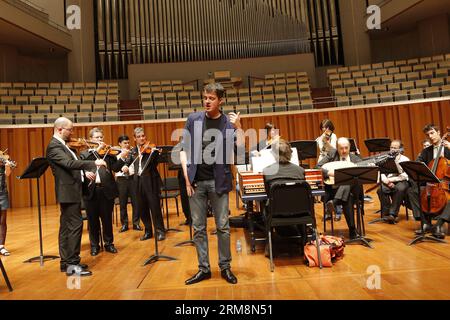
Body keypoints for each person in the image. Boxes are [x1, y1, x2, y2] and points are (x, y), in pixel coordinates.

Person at [180, 82, 243, 285]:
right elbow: (184, 149)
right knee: (198, 228)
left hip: (219, 181)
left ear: (220, 101)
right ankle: (204, 269)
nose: (207, 101)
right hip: (196, 182)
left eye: (211, 98)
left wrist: (239, 128)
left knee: (223, 227)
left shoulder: (227, 122)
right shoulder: (193, 119)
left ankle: (225, 267)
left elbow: (240, 151)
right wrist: (187, 178)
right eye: (205, 97)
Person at [46, 117, 107, 277]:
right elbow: (69, 164)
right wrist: (94, 163)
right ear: (59, 129)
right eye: (70, 129)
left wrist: (84, 173)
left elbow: (72, 167)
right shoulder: (54, 146)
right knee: (74, 226)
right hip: (68, 192)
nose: (72, 132)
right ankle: (72, 265)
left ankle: (66, 263)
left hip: (71, 191)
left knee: (66, 227)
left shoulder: (64, 146)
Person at [80, 128, 128, 256]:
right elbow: (81, 167)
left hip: (106, 190)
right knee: (93, 221)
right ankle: (94, 245)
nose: (100, 140)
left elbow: (116, 168)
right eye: (97, 138)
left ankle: (109, 244)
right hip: (91, 191)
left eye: (101, 137)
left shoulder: (108, 153)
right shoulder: (84, 154)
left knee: (107, 220)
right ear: (91, 140)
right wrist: (96, 151)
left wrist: (122, 157)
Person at [407, 124, 450, 238]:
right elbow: (417, 164)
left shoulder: (448, 147)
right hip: (432, 183)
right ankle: (425, 222)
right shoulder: (426, 151)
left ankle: (439, 224)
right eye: (428, 135)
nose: (430, 136)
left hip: (446, 181)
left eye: (432, 133)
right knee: (412, 191)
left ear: (439, 132)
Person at [317, 137, 362, 240]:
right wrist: (328, 172)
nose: (344, 151)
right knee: (348, 198)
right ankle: (352, 231)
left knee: (349, 178)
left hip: (352, 190)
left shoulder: (356, 159)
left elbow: (364, 169)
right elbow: (317, 167)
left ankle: (335, 202)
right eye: (341, 148)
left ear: (350, 147)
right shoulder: (332, 155)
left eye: (346, 148)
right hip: (334, 190)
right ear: (337, 148)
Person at [132, 127, 166, 241]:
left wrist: (157, 153)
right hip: (137, 182)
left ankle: (160, 231)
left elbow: (156, 162)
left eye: (143, 136)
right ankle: (148, 231)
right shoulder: (133, 152)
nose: (142, 138)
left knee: (155, 207)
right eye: (139, 137)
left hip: (151, 181)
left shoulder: (151, 150)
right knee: (142, 208)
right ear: (134, 139)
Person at [376, 140, 410, 224]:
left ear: (400, 149)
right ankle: (386, 214)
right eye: (391, 147)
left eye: (395, 148)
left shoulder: (405, 159)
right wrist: (386, 181)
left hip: (401, 180)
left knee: (399, 189)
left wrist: (391, 180)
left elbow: (405, 175)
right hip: (388, 180)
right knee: (381, 190)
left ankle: (393, 214)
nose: (392, 149)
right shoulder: (385, 158)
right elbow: (380, 171)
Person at [316, 119, 341, 221]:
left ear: (330, 128)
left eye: (327, 127)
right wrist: (322, 141)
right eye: (323, 127)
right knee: (325, 186)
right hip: (323, 162)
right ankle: (327, 211)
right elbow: (322, 151)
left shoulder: (334, 136)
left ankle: (338, 211)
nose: (325, 129)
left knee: (335, 186)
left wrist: (327, 142)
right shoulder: (319, 138)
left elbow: (334, 151)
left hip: (334, 161)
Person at [115, 135, 141, 233]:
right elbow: (115, 166)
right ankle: (124, 224)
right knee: (123, 203)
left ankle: (136, 223)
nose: (127, 145)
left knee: (136, 202)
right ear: (120, 144)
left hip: (132, 178)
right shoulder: (116, 153)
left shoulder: (133, 152)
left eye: (128, 143)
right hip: (121, 179)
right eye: (125, 143)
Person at [0, 156, 14, 256]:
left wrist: (8, 167)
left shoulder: (2, 161)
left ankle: (1, 246)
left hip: (2, 193)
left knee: (2, 220)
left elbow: (7, 174)